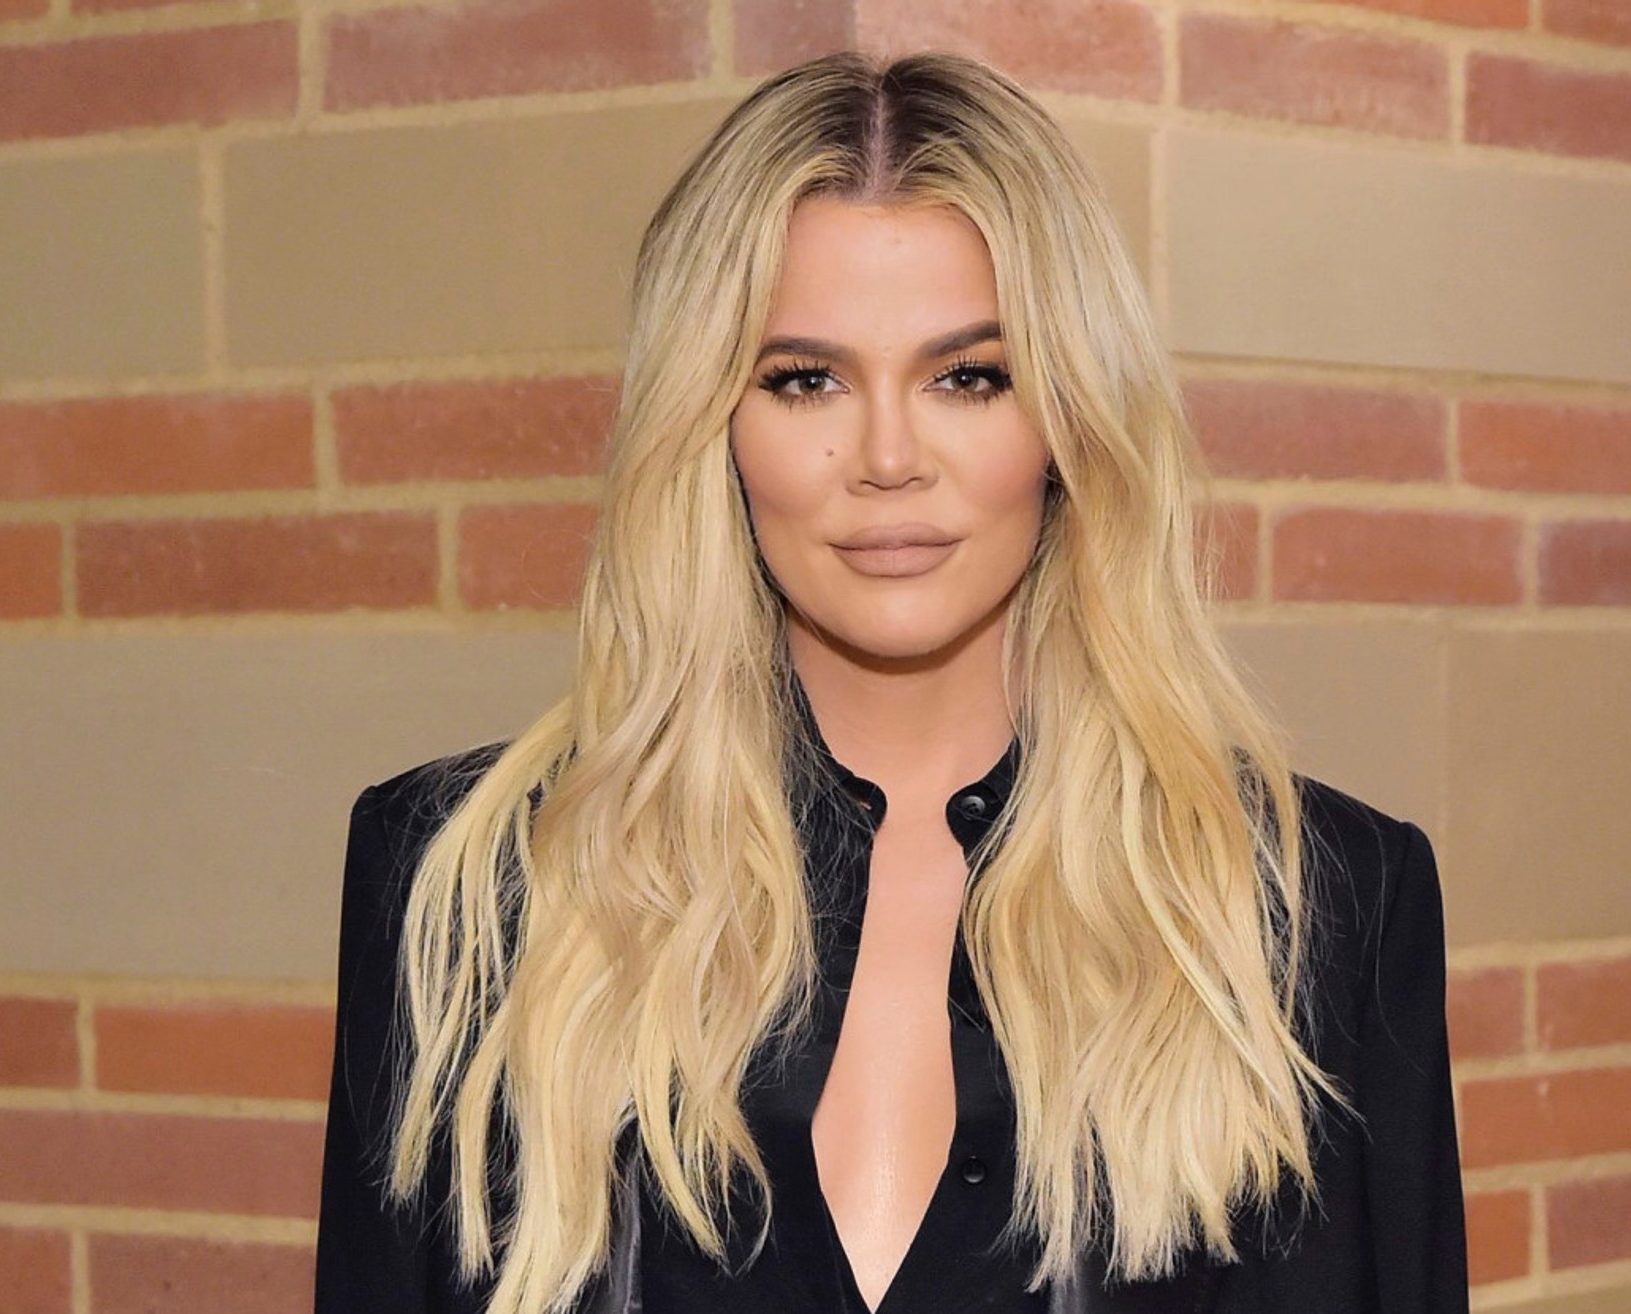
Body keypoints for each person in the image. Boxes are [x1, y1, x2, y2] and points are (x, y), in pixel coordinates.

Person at [314, 48, 1468, 1314]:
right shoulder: (467, 898)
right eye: (804, 379)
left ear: (1069, 420)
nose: (885, 456)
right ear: (709, 424)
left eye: (967, 377)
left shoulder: (1315, 914)